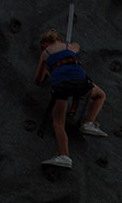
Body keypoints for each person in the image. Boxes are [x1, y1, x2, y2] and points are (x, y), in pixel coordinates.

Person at [34, 29, 107, 168]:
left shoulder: (45, 53)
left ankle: (64, 156)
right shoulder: (69, 47)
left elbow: (37, 79)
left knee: (58, 123)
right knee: (100, 95)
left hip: (61, 85)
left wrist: (47, 69)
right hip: (79, 81)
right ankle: (89, 123)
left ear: (45, 43)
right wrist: (70, 45)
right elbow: (77, 46)